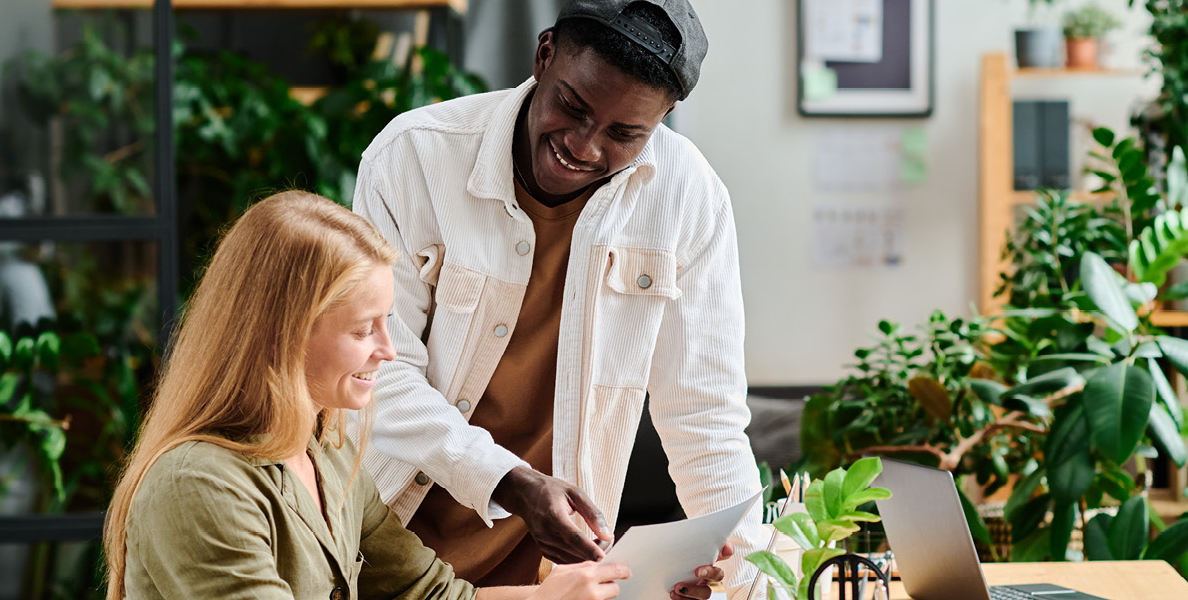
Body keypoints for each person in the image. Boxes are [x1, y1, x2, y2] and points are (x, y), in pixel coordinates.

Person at [352, 0, 764, 596]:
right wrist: (511, 481)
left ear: (665, 116)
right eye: (573, 106)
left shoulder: (690, 200)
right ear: (545, 54)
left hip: (554, 584)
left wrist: (745, 581)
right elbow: (378, 374)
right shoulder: (415, 156)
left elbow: (705, 418)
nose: (584, 146)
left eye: (625, 134)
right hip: (390, 554)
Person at [101, 191, 652, 600]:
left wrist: (575, 590)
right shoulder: (199, 484)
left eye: (387, 323)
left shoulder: (330, 450)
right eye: (364, 330)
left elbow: (431, 596)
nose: (389, 351)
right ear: (284, 333)